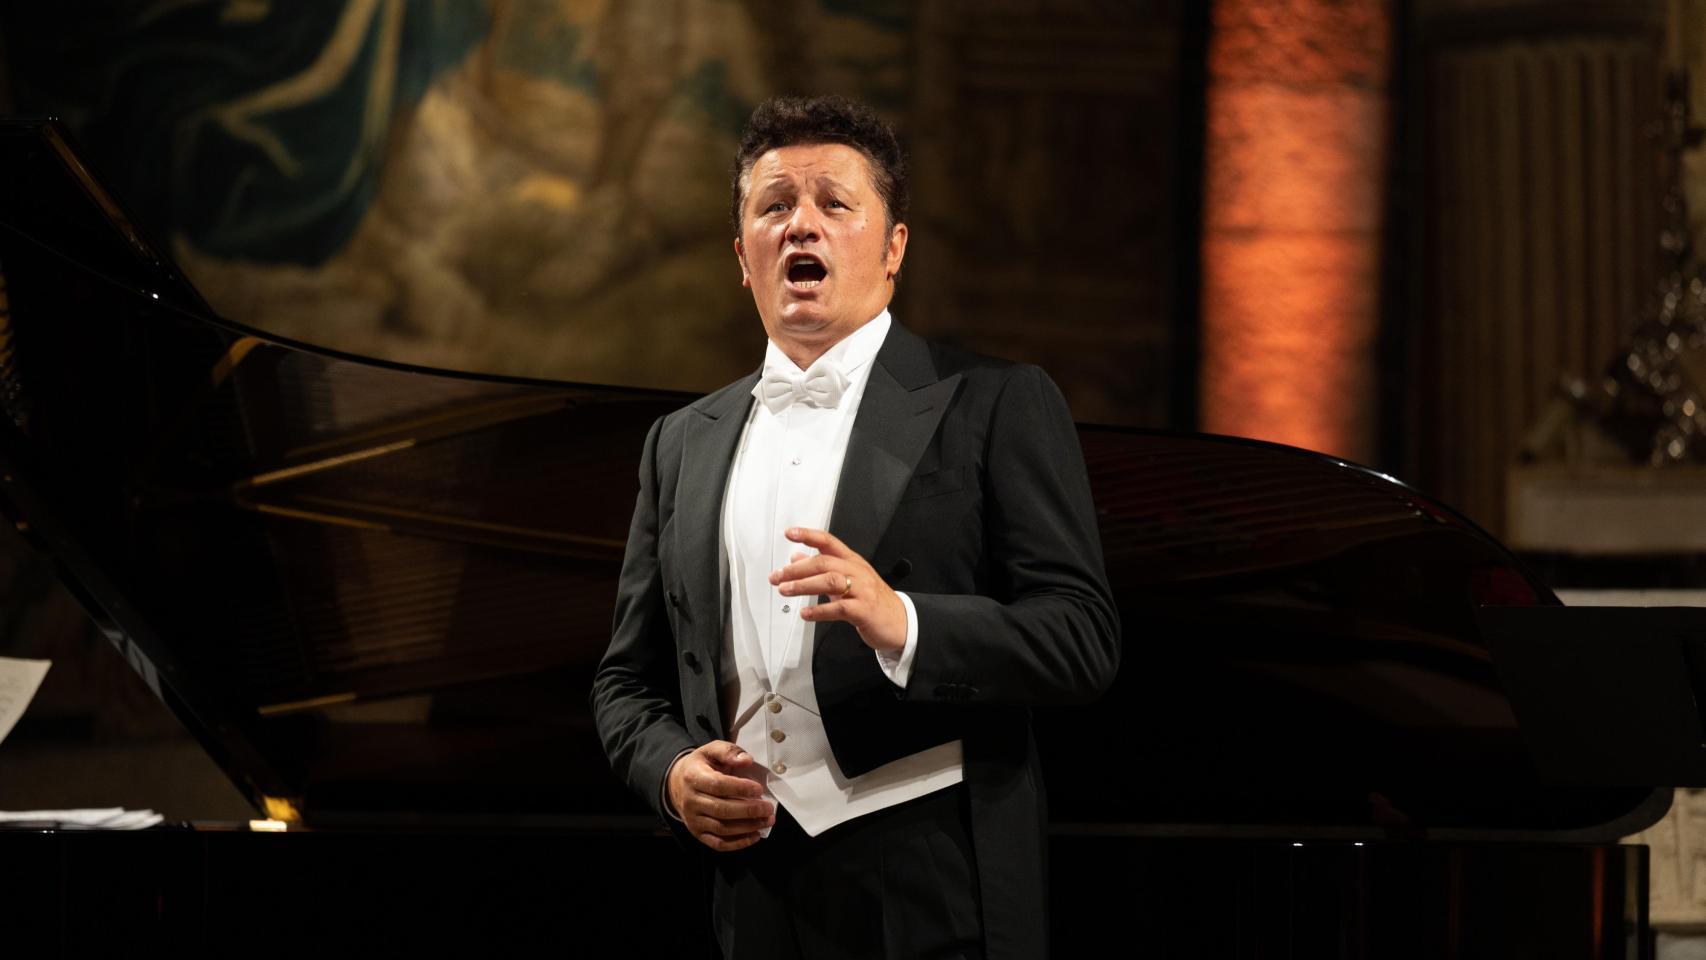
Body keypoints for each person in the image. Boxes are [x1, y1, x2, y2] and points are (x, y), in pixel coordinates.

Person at [590, 94, 1119, 959]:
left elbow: (1082, 639)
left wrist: (902, 619)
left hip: (933, 872)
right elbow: (625, 683)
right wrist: (671, 773)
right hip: (748, 883)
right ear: (743, 256)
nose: (802, 225)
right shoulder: (680, 443)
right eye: (775, 207)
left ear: (893, 246)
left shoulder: (995, 402)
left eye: (834, 203)